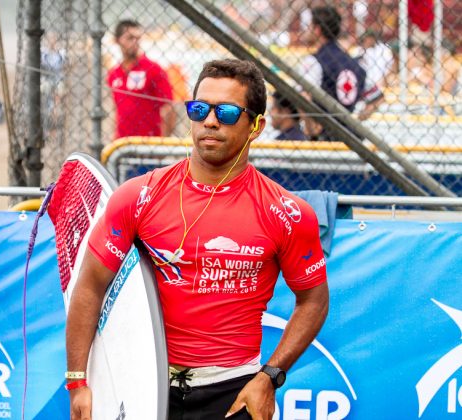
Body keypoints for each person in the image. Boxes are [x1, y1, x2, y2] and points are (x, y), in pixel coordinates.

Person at [66, 59, 329, 419]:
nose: (209, 121)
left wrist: (270, 376)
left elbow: (313, 301)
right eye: (200, 108)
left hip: (234, 391)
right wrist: (78, 382)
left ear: (256, 126)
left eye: (227, 112)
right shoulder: (138, 196)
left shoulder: (287, 213)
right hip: (144, 386)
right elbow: (90, 286)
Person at [299, 6, 367, 138]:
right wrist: (356, 121)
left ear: (317, 30)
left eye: (309, 26)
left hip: (323, 139)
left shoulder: (313, 61)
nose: (305, 30)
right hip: (351, 138)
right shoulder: (355, 64)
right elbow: (377, 98)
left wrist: (311, 129)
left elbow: (304, 98)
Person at [107, 20, 176, 140]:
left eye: (138, 38)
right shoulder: (114, 74)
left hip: (149, 145)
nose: (135, 42)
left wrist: (163, 143)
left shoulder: (153, 69)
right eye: (130, 38)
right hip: (122, 144)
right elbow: (117, 111)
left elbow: (168, 108)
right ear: (117, 40)